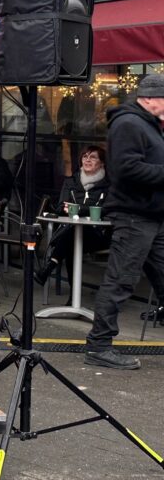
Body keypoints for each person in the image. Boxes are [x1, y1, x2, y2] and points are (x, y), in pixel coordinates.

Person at [85, 74, 164, 370]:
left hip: (152, 215)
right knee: (120, 281)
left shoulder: (149, 125)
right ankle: (99, 345)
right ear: (149, 98)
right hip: (134, 215)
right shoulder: (129, 123)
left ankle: (100, 344)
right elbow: (127, 169)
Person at [35, 145, 112, 286]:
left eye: (93, 157)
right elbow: (59, 207)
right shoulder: (71, 182)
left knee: (72, 239)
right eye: (85, 156)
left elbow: (107, 209)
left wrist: (80, 210)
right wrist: (67, 209)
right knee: (72, 242)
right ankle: (73, 297)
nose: (88, 160)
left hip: (97, 234)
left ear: (102, 163)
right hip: (70, 231)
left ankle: (49, 267)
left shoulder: (109, 186)